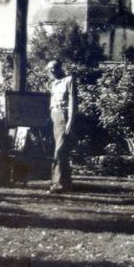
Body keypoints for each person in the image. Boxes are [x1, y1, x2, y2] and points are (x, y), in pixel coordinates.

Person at [47, 60, 76, 193]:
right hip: (54, 116)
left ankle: (58, 184)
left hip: (64, 116)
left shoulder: (69, 80)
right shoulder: (53, 84)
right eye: (49, 69)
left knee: (59, 150)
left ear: (59, 68)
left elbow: (73, 101)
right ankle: (65, 182)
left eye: (52, 69)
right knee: (60, 150)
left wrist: (70, 120)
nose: (50, 72)